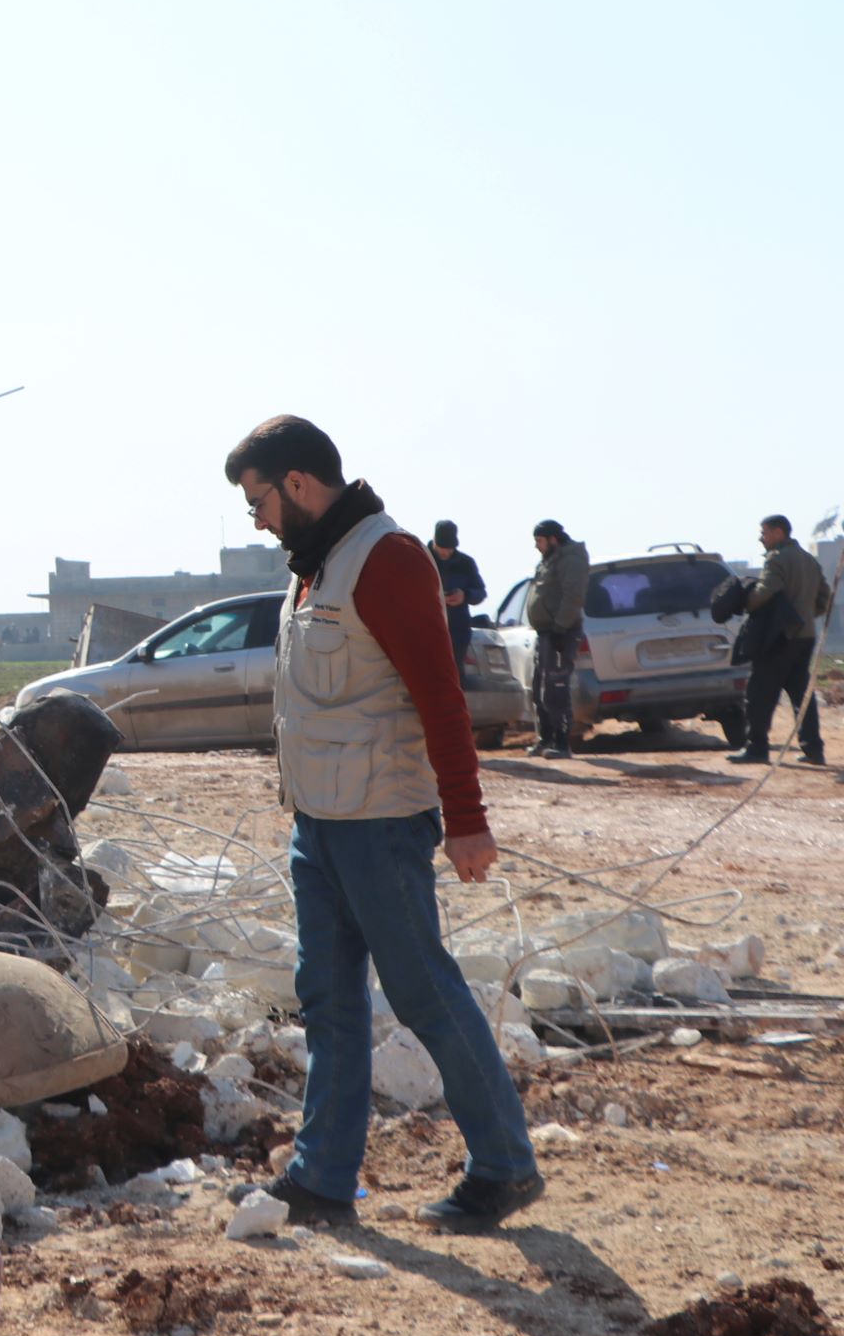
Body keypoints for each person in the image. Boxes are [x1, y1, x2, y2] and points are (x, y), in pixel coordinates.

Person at [224, 415, 541, 1234]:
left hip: (381, 822)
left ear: (298, 484)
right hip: (319, 824)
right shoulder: (313, 565)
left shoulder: (387, 559)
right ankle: (322, 1175)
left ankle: (504, 1165)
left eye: (258, 499)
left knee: (423, 992)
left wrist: (467, 820)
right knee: (327, 999)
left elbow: (441, 696)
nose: (254, 518)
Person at [732, 514, 829, 767]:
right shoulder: (809, 560)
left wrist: (747, 603)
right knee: (802, 695)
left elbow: (765, 591)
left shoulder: (777, 559)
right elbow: (824, 597)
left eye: (764, 533)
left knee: (760, 693)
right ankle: (813, 749)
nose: (761, 538)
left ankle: (757, 748)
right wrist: (806, 616)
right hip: (805, 636)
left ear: (777, 533)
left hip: (779, 638)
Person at [524, 520, 589, 759]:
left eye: (539, 541)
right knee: (540, 688)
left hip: (561, 633)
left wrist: (561, 628)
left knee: (556, 689)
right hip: (546, 634)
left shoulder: (571, 560)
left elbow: (573, 596)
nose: (536, 546)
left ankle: (562, 743)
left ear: (553, 539)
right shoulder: (550, 559)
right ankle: (546, 738)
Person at [430, 520, 487, 673]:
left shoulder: (466, 563)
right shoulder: (421, 558)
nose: (445, 552)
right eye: (442, 548)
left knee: (455, 681)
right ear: (434, 541)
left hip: (457, 634)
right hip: (427, 632)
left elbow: (480, 592)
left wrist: (465, 596)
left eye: (449, 548)